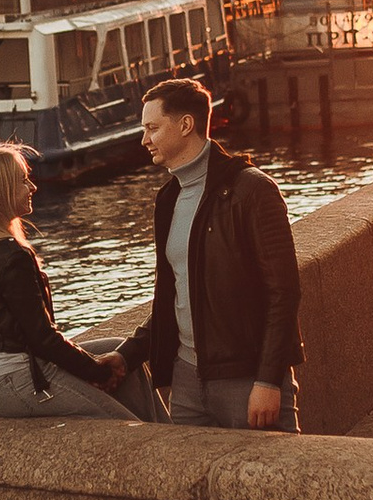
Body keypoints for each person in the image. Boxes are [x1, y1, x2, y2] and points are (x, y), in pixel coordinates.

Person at [125, 78, 301, 429]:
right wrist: (127, 355)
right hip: (187, 382)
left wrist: (267, 380)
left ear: (186, 125)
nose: (144, 140)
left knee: (265, 481)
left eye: (152, 128)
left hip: (246, 380)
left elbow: (285, 291)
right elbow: (173, 294)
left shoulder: (252, 190)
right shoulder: (168, 198)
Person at [0, 142, 132, 420]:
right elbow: (43, 339)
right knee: (125, 425)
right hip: (14, 377)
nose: (33, 188)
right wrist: (97, 372)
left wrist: (101, 365)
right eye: (23, 181)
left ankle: (166, 428)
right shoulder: (12, 256)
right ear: (0, 193)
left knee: (122, 351)